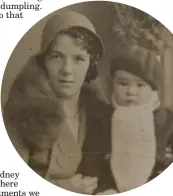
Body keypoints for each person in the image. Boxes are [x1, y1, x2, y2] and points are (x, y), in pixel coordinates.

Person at [2, 10, 114, 194]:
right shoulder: (21, 113)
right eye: (56, 57)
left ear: (90, 64)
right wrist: (62, 188)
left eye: (78, 59)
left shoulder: (100, 113)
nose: (67, 70)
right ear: (43, 61)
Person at [107, 44, 173, 193]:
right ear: (112, 84)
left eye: (140, 85)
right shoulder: (103, 117)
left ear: (153, 89)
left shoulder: (167, 120)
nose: (131, 91)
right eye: (122, 83)